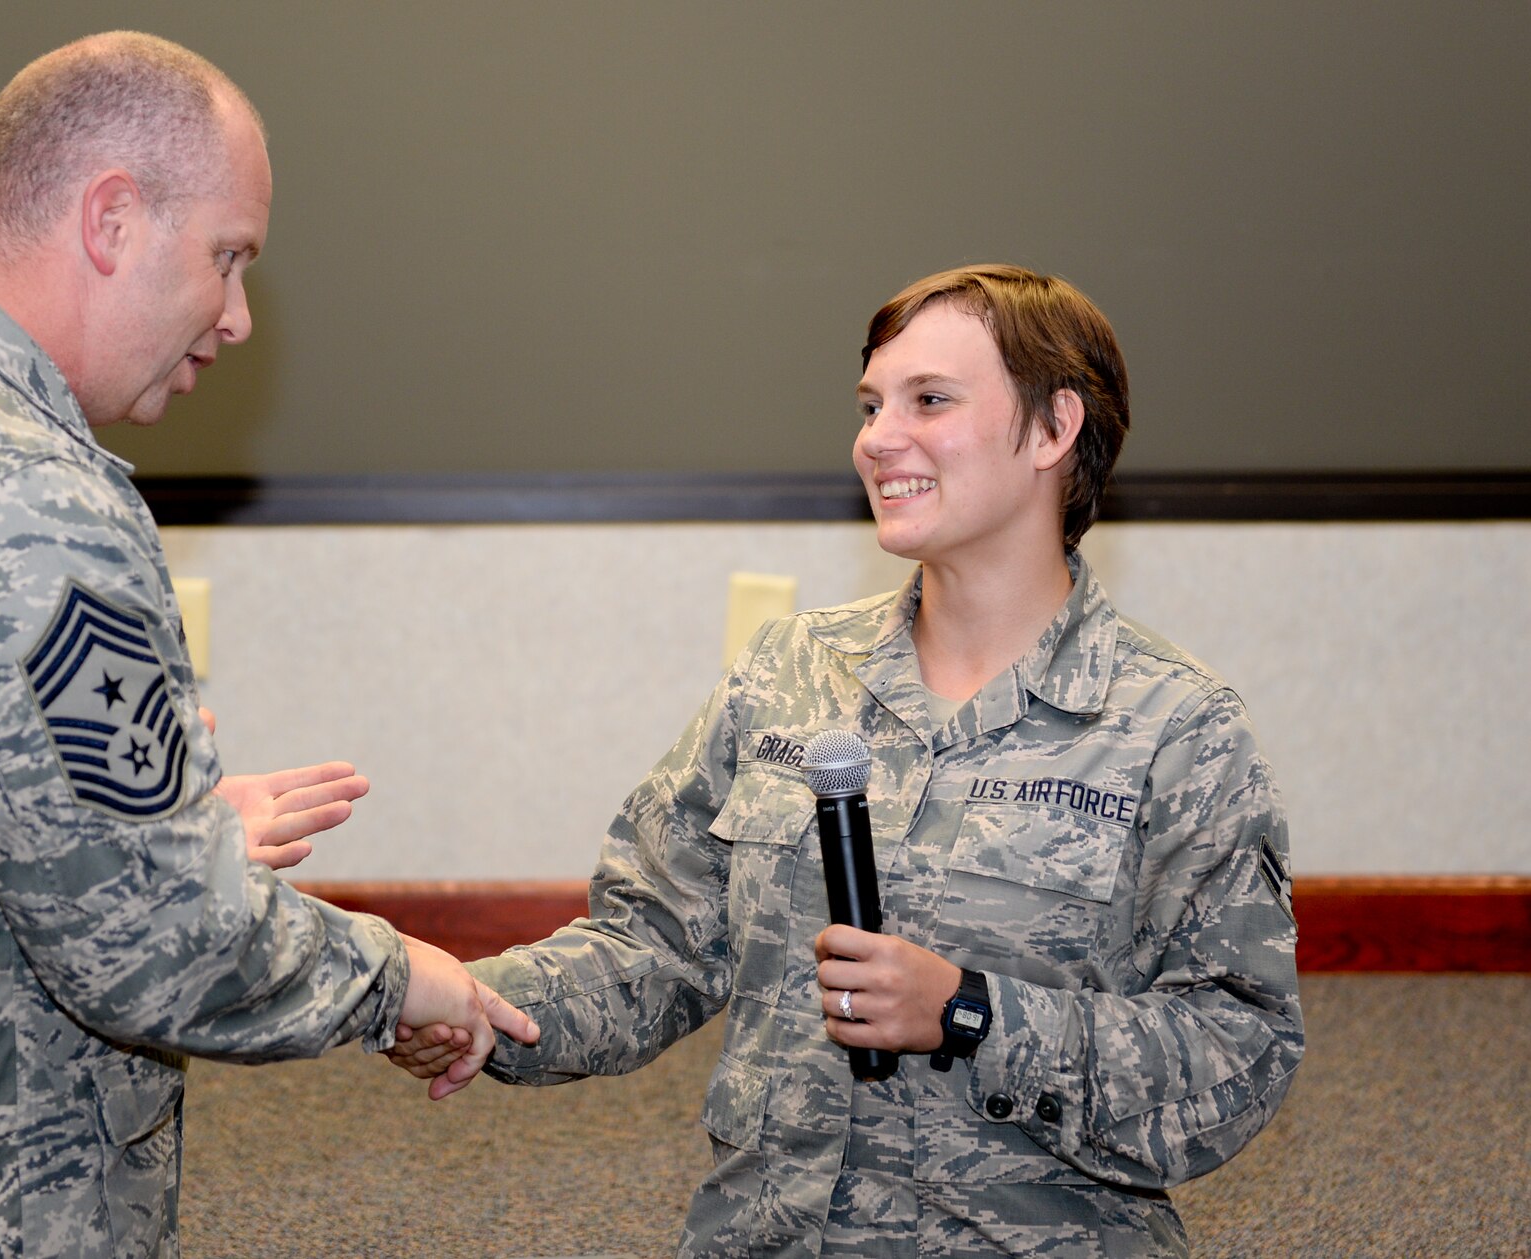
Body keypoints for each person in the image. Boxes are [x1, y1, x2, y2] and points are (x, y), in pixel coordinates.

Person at [0, 31, 532, 1256]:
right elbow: (155, 942)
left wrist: (171, 820)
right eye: (227, 258)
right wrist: (396, 979)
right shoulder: (21, 496)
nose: (235, 318)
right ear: (111, 218)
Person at [393, 265, 1302, 1256]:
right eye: (870, 404)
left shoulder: (1173, 724)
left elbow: (1233, 1053)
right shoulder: (789, 672)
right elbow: (653, 940)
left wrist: (966, 1009)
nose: (877, 437)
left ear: (1051, 430)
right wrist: (484, 1002)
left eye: (929, 400)